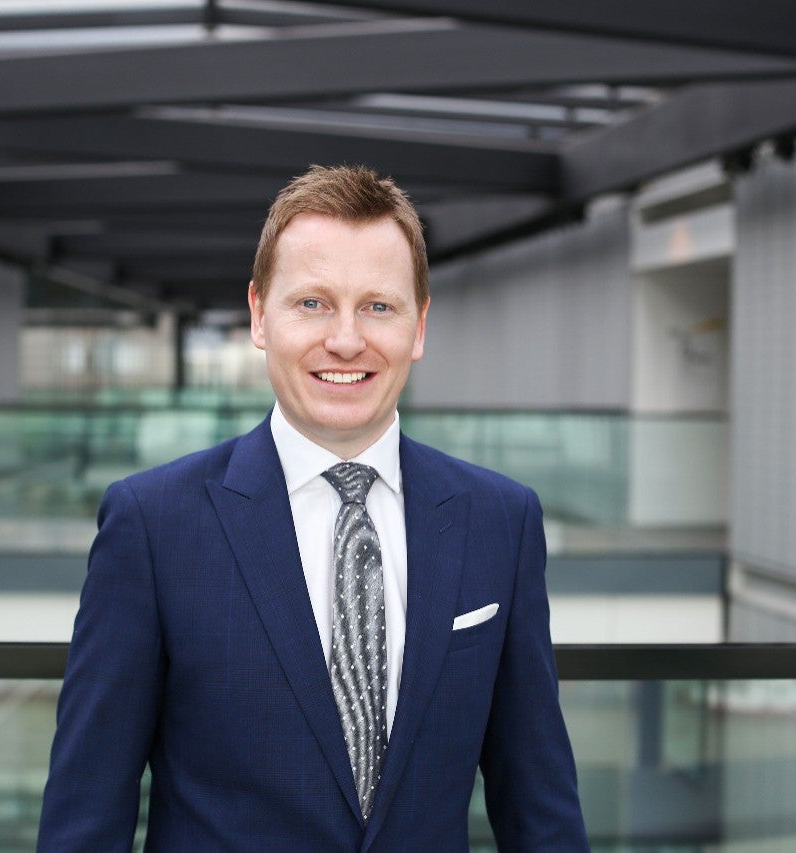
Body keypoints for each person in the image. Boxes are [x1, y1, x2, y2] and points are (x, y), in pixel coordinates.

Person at [38, 165, 588, 851]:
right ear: (259, 315)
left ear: (419, 326)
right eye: (313, 303)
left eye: (378, 307)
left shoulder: (500, 521)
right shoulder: (152, 525)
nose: (347, 340)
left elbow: (539, 807)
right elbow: (87, 814)